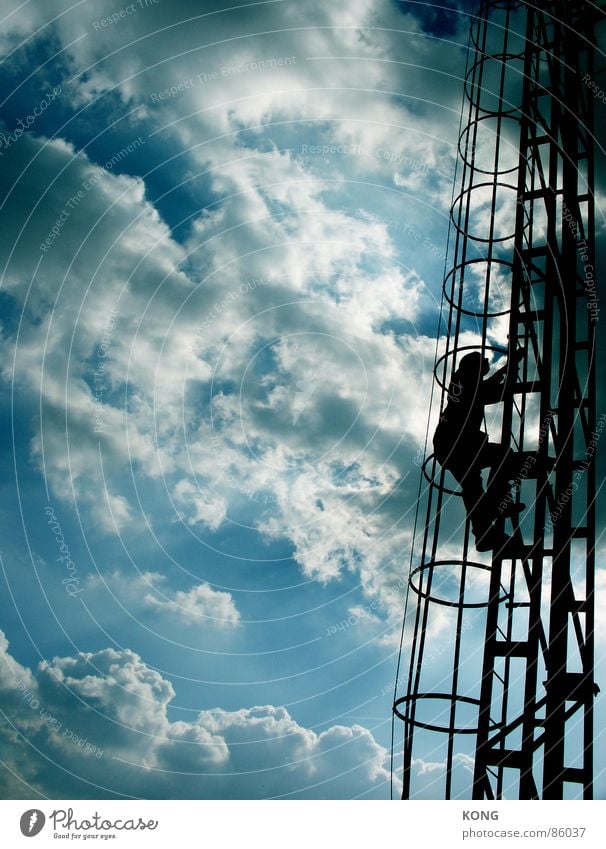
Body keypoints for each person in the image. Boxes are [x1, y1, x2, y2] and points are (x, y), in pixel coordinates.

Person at [433, 349, 527, 552]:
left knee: (473, 487)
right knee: (501, 456)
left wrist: (507, 367)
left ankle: (484, 534)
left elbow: (487, 387)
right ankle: (497, 504)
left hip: (451, 447)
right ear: (474, 367)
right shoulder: (466, 386)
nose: (486, 361)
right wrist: (511, 369)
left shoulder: (465, 383)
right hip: (457, 446)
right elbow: (495, 392)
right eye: (482, 361)